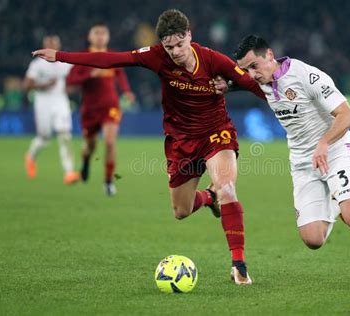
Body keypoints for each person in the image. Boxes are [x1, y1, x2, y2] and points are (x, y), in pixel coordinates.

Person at [33, 9, 265, 285]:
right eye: (169, 47)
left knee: (227, 187)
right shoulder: (155, 56)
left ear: (189, 35)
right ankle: (208, 198)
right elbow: (110, 59)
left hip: (217, 133)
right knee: (182, 210)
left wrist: (243, 89)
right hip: (181, 140)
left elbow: (251, 84)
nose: (175, 52)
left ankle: (239, 266)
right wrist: (60, 56)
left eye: (180, 45)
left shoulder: (213, 60)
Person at [225, 35, 350, 288]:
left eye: (254, 66)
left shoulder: (307, 76)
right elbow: (233, 79)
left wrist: (324, 142)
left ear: (269, 55)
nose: (251, 74)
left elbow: (347, 115)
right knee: (313, 239)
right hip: (304, 163)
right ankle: (338, 202)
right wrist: (222, 84)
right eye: (245, 69)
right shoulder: (262, 80)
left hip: (335, 151)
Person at [66, 23, 135, 196]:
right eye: (96, 33)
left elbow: (120, 73)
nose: (100, 36)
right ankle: (86, 162)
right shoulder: (82, 56)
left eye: (103, 33)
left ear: (108, 36)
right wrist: (90, 75)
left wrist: (127, 92)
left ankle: (108, 181)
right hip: (90, 109)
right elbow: (71, 80)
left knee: (110, 141)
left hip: (111, 106)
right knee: (90, 146)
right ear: (90, 37)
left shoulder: (112, 55)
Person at [24, 35, 80, 185]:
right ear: (44, 46)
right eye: (49, 43)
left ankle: (69, 172)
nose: (52, 45)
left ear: (59, 44)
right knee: (44, 137)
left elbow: (76, 78)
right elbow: (27, 85)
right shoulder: (37, 64)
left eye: (54, 43)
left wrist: (72, 87)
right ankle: (30, 156)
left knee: (65, 134)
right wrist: (45, 85)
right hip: (43, 102)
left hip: (61, 100)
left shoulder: (65, 63)